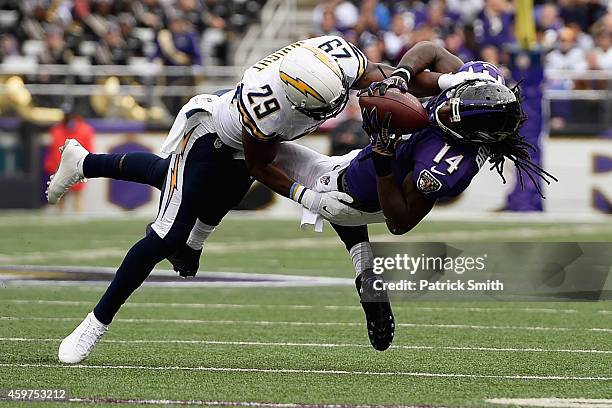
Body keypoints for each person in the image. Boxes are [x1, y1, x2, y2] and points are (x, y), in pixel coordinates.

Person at [47, 37, 496, 363]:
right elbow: (257, 166)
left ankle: (85, 163)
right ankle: (95, 323)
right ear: (294, 98)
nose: (329, 114)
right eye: (318, 111)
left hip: (251, 147)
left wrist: (426, 82)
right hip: (214, 137)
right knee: (168, 235)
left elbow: (380, 77)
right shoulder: (268, 108)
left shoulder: (337, 62)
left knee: (334, 185)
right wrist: (302, 197)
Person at [44, 107, 94, 214]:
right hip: (59, 168)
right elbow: (53, 151)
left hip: (77, 168)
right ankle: (61, 220)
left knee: (78, 198)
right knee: (61, 198)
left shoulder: (84, 129)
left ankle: (78, 218)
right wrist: (51, 167)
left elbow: (88, 149)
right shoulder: (57, 130)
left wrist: (85, 167)